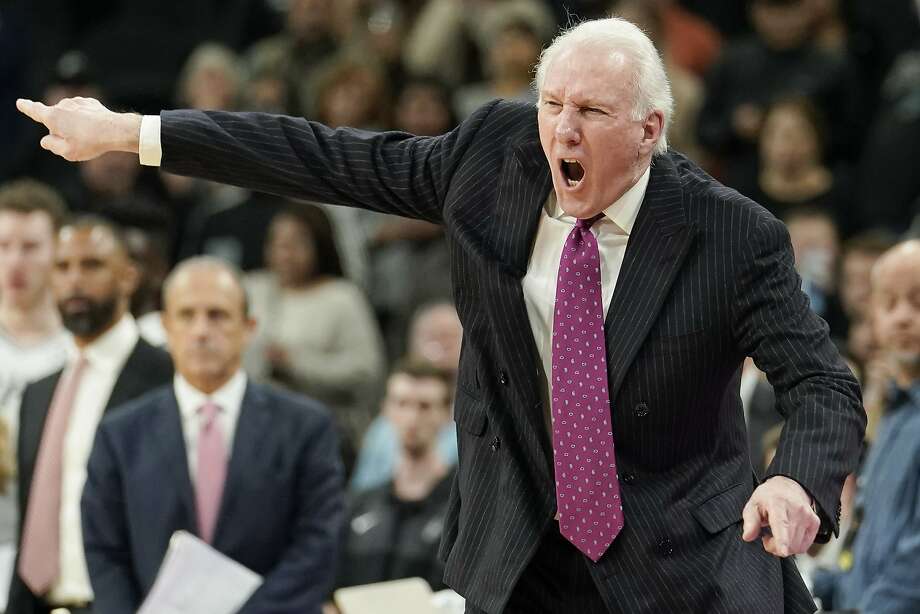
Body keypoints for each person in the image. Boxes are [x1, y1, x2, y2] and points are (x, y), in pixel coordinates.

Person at [16, 16, 865, 614]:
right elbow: (325, 157)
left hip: (684, 568)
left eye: (591, 114)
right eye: (551, 103)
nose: (560, 130)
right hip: (525, 556)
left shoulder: (732, 235)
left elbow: (823, 381)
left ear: (649, 131)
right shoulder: (492, 156)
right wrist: (134, 132)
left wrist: (796, 478)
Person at [81, 257, 344, 614]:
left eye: (218, 315)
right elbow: (103, 551)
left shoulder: (306, 427)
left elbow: (317, 545)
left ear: (249, 327)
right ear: (165, 326)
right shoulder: (120, 433)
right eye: (187, 315)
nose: (201, 330)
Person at [9, 216, 173, 614]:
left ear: (129, 276)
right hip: (40, 602)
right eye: (62, 268)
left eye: (92, 265)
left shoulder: (167, 378)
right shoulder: (38, 391)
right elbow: (33, 515)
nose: (75, 281)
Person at [812, 240, 920, 612]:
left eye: (918, 302)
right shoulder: (894, 413)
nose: (904, 316)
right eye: (890, 303)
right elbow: (867, 541)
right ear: (872, 315)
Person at [243, 206, 385, 470]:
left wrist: (294, 362)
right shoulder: (253, 288)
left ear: (320, 244)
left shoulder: (342, 298)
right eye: (277, 243)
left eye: (295, 244)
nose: (284, 253)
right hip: (256, 427)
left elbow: (367, 371)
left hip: (326, 429)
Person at [336, 359, 456, 592]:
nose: (412, 417)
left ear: (446, 413)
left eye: (425, 406)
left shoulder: (463, 508)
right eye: (401, 403)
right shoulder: (358, 504)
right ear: (386, 409)